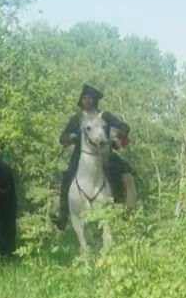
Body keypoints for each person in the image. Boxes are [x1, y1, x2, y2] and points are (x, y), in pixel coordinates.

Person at [54, 84, 132, 230]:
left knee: (117, 172)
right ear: (81, 101)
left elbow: (124, 127)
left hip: (104, 153)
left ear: (95, 100)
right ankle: (63, 215)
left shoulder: (105, 116)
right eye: (84, 98)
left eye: (89, 98)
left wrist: (118, 140)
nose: (87, 100)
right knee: (68, 177)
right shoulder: (77, 119)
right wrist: (71, 137)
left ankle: (121, 208)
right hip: (81, 155)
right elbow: (62, 138)